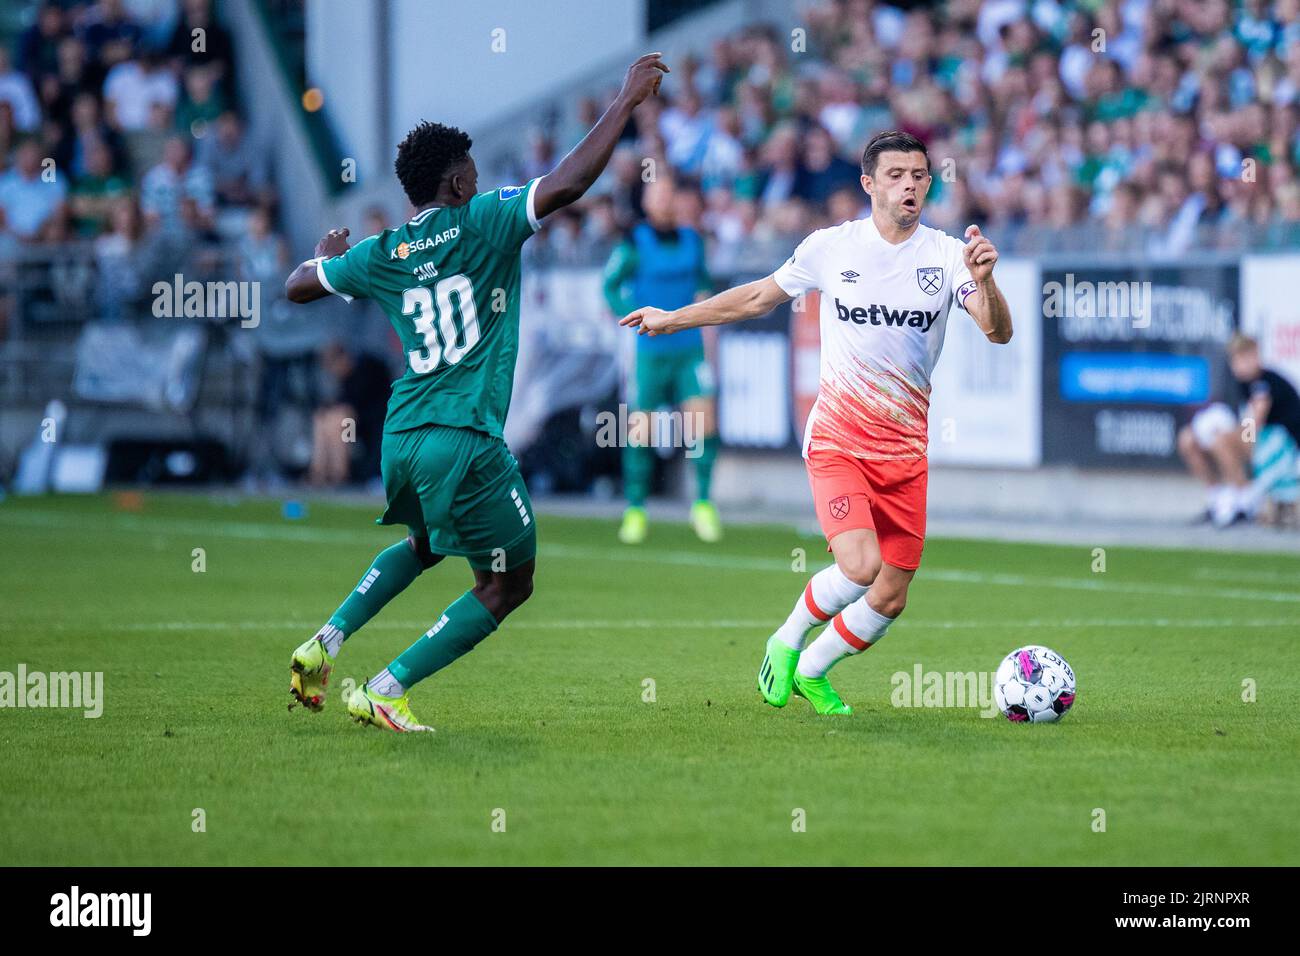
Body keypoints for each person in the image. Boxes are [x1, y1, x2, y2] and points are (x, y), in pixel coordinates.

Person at [281, 52, 670, 732]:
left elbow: (298, 286)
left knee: (427, 544)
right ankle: (386, 687)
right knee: (508, 584)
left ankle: (325, 644)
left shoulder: (384, 252)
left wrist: (323, 251)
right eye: (475, 169)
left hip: (402, 436)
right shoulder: (487, 220)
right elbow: (571, 183)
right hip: (464, 437)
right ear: (459, 180)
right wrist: (626, 102)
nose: (481, 177)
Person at [622, 130, 1013, 716]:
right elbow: (758, 297)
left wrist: (985, 281)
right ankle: (785, 640)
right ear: (869, 184)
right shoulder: (832, 247)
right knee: (859, 566)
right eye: (897, 175)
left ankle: (813, 668)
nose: (911, 185)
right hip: (839, 439)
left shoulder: (947, 255)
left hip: (905, 449)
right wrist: (674, 319)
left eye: (920, 175)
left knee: (892, 593)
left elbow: (997, 330)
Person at [602, 176, 721, 544]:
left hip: (689, 349)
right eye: (660, 196)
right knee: (642, 428)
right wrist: (632, 317)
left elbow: (704, 288)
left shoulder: (692, 241)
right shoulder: (634, 243)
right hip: (650, 352)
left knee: (703, 425)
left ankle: (702, 503)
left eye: (672, 195)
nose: (667, 202)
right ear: (648, 203)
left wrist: (709, 330)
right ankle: (636, 508)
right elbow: (609, 286)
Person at [1179, 335, 1300, 526]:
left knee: (1220, 440)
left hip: (1284, 445)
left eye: (1244, 358)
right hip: (1261, 440)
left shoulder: (1264, 382)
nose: (1239, 365)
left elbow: (1253, 423)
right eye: (1235, 359)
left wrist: (1233, 441)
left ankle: (1245, 500)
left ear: (1256, 357)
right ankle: (1217, 498)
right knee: (1188, 439)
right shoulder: (1238, 384)